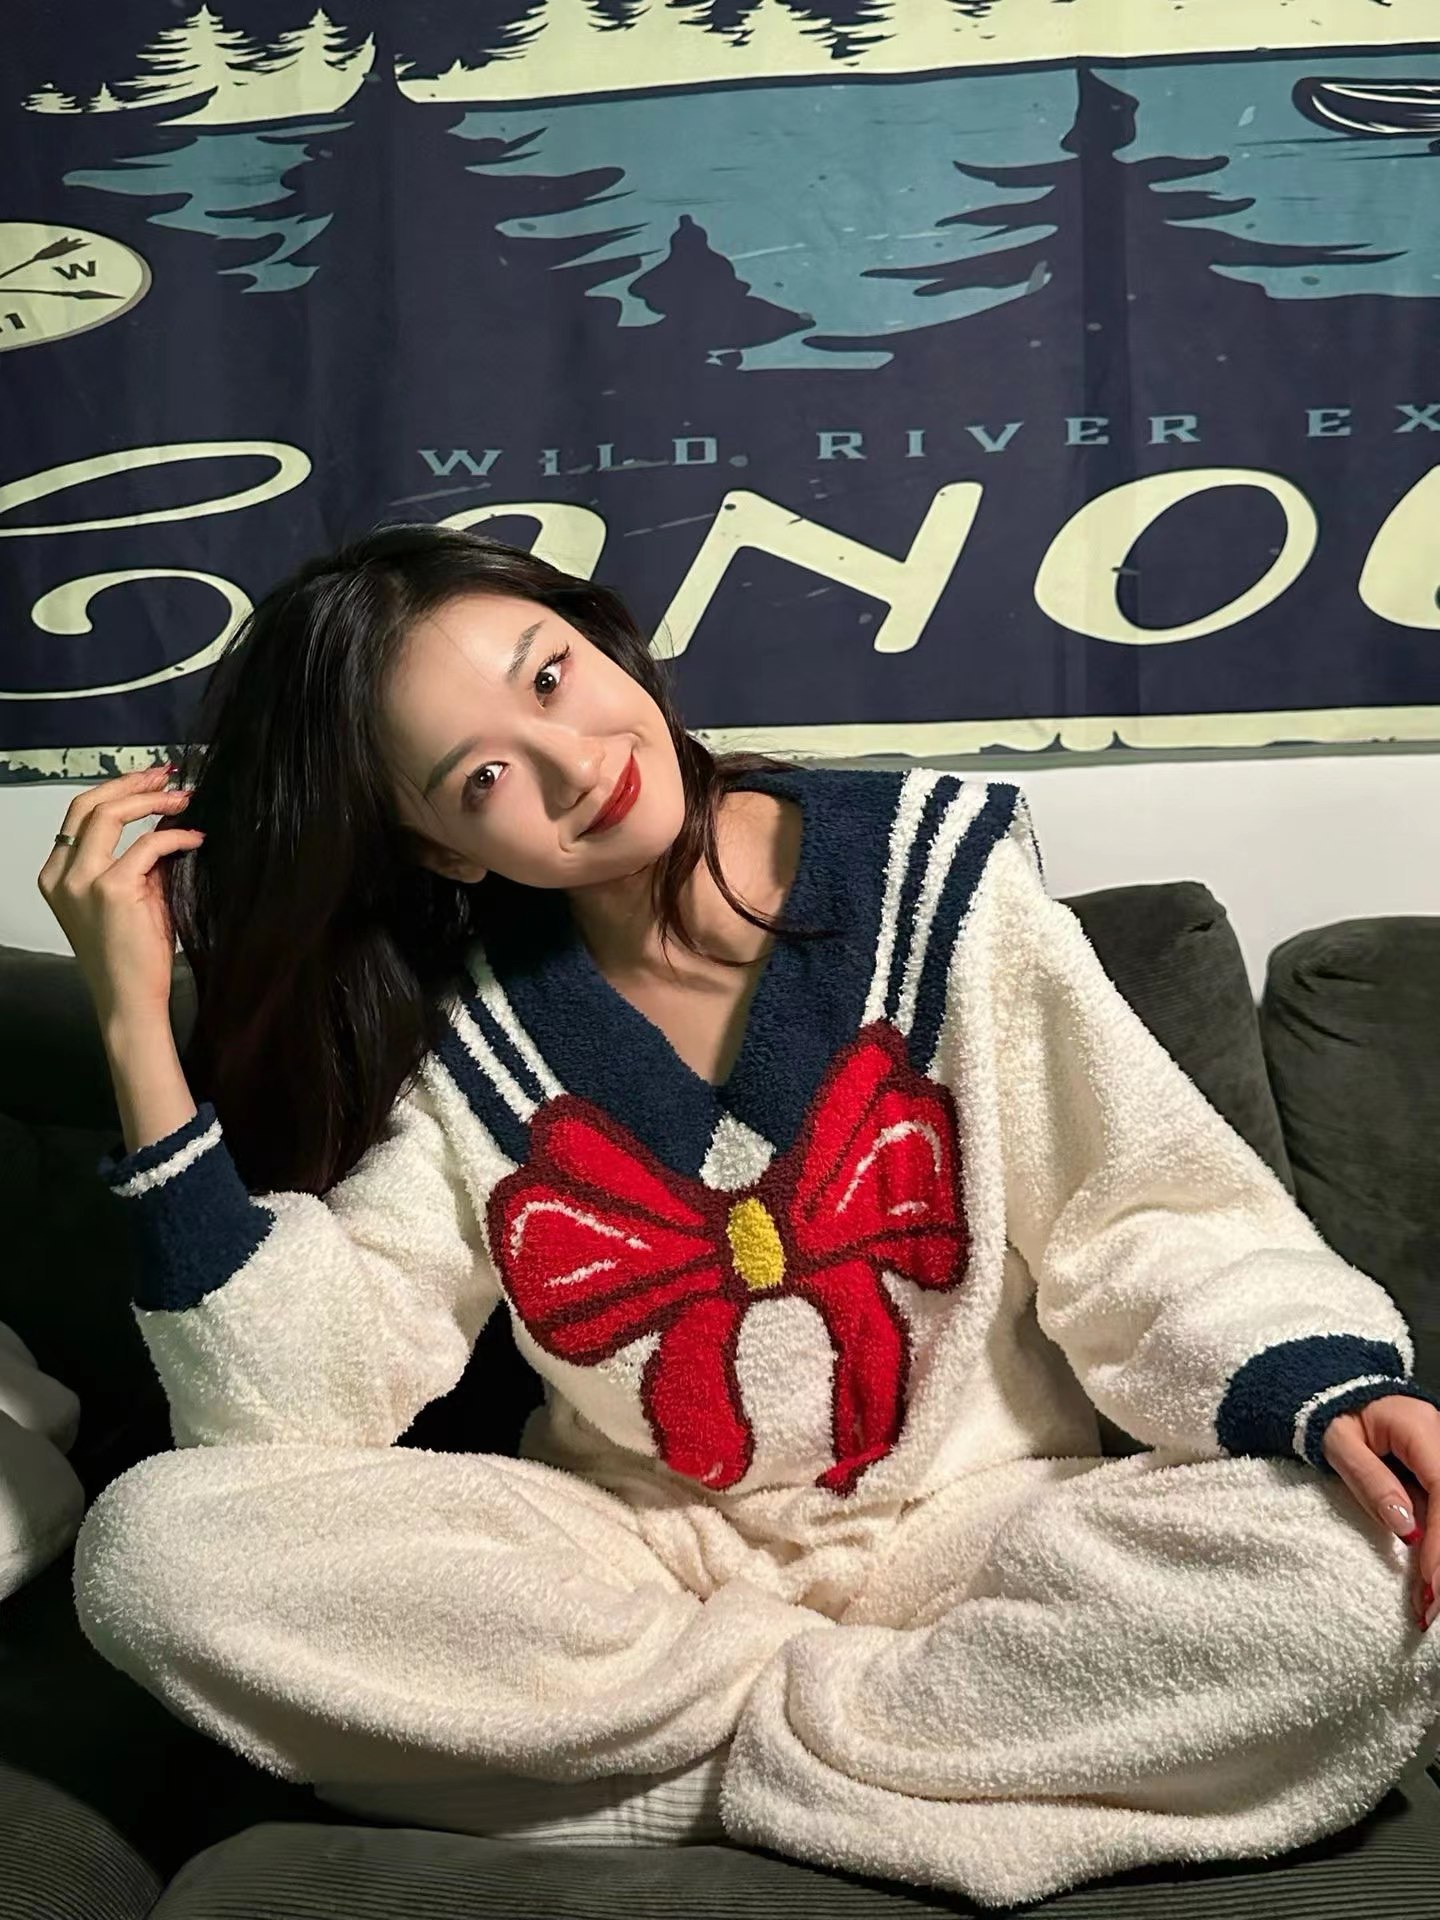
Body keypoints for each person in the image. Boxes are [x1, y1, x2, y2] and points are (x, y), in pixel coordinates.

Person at [37, 523, 1440, 1909]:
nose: (574, 760)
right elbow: (292, 1406)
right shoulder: (470, 1038)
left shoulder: (937, 876)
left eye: (550, 675)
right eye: (483, 777)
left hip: (982, 1530)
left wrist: (1328, 1390)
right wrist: (132, 1022)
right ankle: (908, 1760)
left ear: (603, 639)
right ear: (442, 851)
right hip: (654, 1565)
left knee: (1355, 1583)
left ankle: (689, 1783)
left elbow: (1142, 1213)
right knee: (154, 1552)